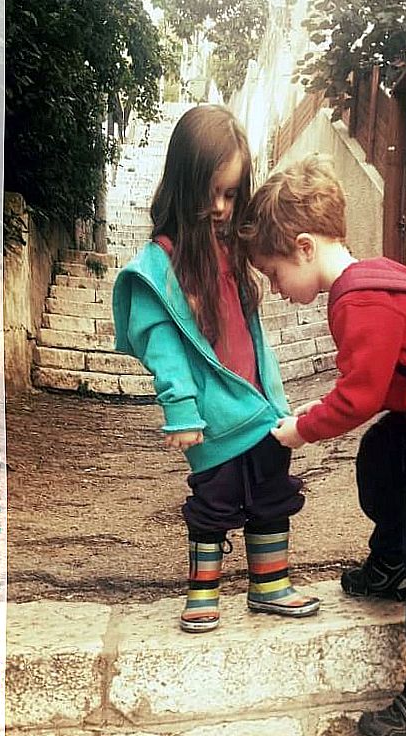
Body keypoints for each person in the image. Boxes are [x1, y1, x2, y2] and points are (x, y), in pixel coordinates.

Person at [238, 154, 406, 736]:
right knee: (380, 458)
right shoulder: (371, 276)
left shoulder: (357, 298)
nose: (277, 290)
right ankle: (390, 559)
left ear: (304, 247)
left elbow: (359, 395)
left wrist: (299, 429)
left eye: (275, 274)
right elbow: (383, 386)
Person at [112, 106, 320, 634]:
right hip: (209, 413)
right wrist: (180, 409)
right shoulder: (161, 263)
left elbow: (255, 336)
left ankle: (269, 584)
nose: (221, 207)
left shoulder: (233, 249)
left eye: (231, 194)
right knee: (214, 501)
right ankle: (203, 589)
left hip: (257, 405)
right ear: (183, 181)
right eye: (211, 192)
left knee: (273, 493)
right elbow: (162, 344)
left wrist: (278, 401)